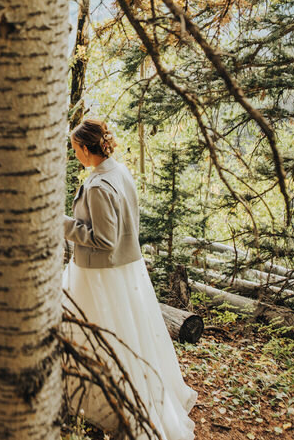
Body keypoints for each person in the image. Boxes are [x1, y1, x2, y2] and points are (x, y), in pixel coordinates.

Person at [64, 118, 196, 439]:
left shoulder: (97, 187)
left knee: (98, 335)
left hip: (98, 273)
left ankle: (103, 401)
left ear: (85, 148)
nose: (75, 154)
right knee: (128, 334)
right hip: (125, 268)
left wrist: (61, 223)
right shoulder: (119, 172)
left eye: (75, 149)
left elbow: (105, 240)